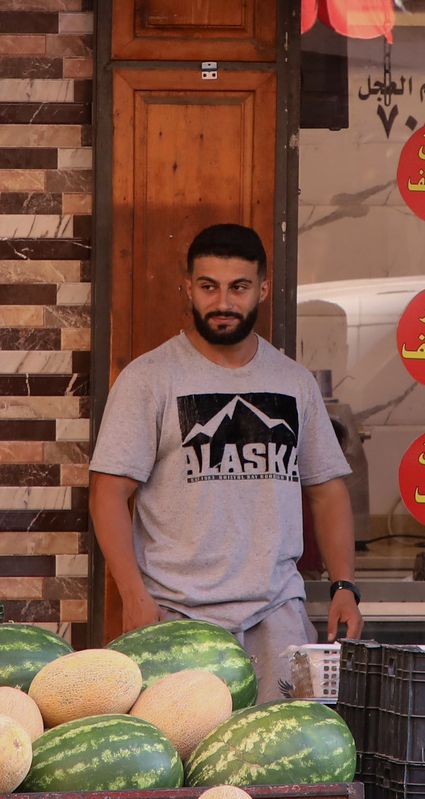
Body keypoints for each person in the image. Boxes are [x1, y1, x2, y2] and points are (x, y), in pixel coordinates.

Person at [89, 223, 360, 697]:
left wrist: (345, 586)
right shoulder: (149, 378)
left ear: (263, 288)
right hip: (176, 613)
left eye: (238, 287)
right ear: (188, 287)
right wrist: (133, 595)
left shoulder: (293, 382)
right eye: (208, 286)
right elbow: (108, 493)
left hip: (277, 616)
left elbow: (327, 490)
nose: (223, 303)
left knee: (283, 760)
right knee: (183, 760)